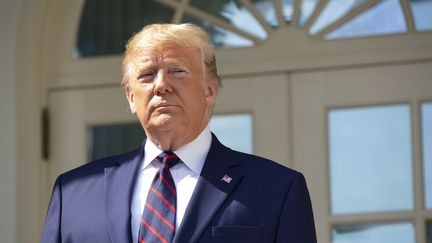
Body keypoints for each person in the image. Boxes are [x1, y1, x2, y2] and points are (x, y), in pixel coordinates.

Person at [41, 23, 317, 243]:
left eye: (177, 71)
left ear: (210, 91)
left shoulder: (278, 189)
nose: (161, 85)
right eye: (147, 75)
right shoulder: (72, 194)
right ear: (130, 97)